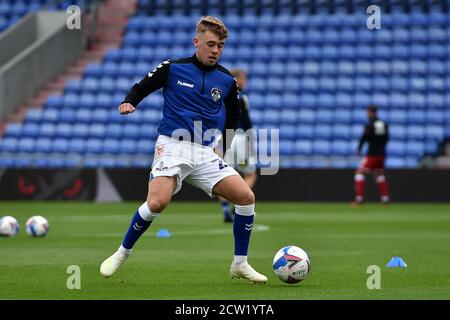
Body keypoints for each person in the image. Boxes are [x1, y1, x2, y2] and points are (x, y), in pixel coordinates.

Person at [100, 16, 267, 284]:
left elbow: (234, 116)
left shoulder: (226, 80)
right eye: (211, 44)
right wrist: (129, 102)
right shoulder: (173, 68)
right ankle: (121, 253)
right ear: (196, 41)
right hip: (172, 145)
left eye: (221, 46)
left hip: (204, 151)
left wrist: (222, 147)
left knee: (246, 197)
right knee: (157, 202)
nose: (215, 50)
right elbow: (142, 86)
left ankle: (240, 264)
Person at [216, 69, 257, 223]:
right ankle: (239, 203)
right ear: (237, 80)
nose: (245, 81)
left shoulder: (220, 95)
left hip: (222, 138)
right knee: (250, 174)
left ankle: (225, 209)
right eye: (243, 78)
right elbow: (246, 122)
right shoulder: (241, 97)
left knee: (221, 177)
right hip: (239, 137)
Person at [353, 105, 390, 206]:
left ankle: (359, 199)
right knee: (379, 174)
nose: (367, 114)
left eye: (368, 112)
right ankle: (385, 198)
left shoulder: (370, 125)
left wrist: (359, 148)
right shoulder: (384, 124)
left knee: (359, 172)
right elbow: (386, 138)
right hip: (382, 154)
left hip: (372, 154)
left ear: (371, 112)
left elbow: (364, 137)